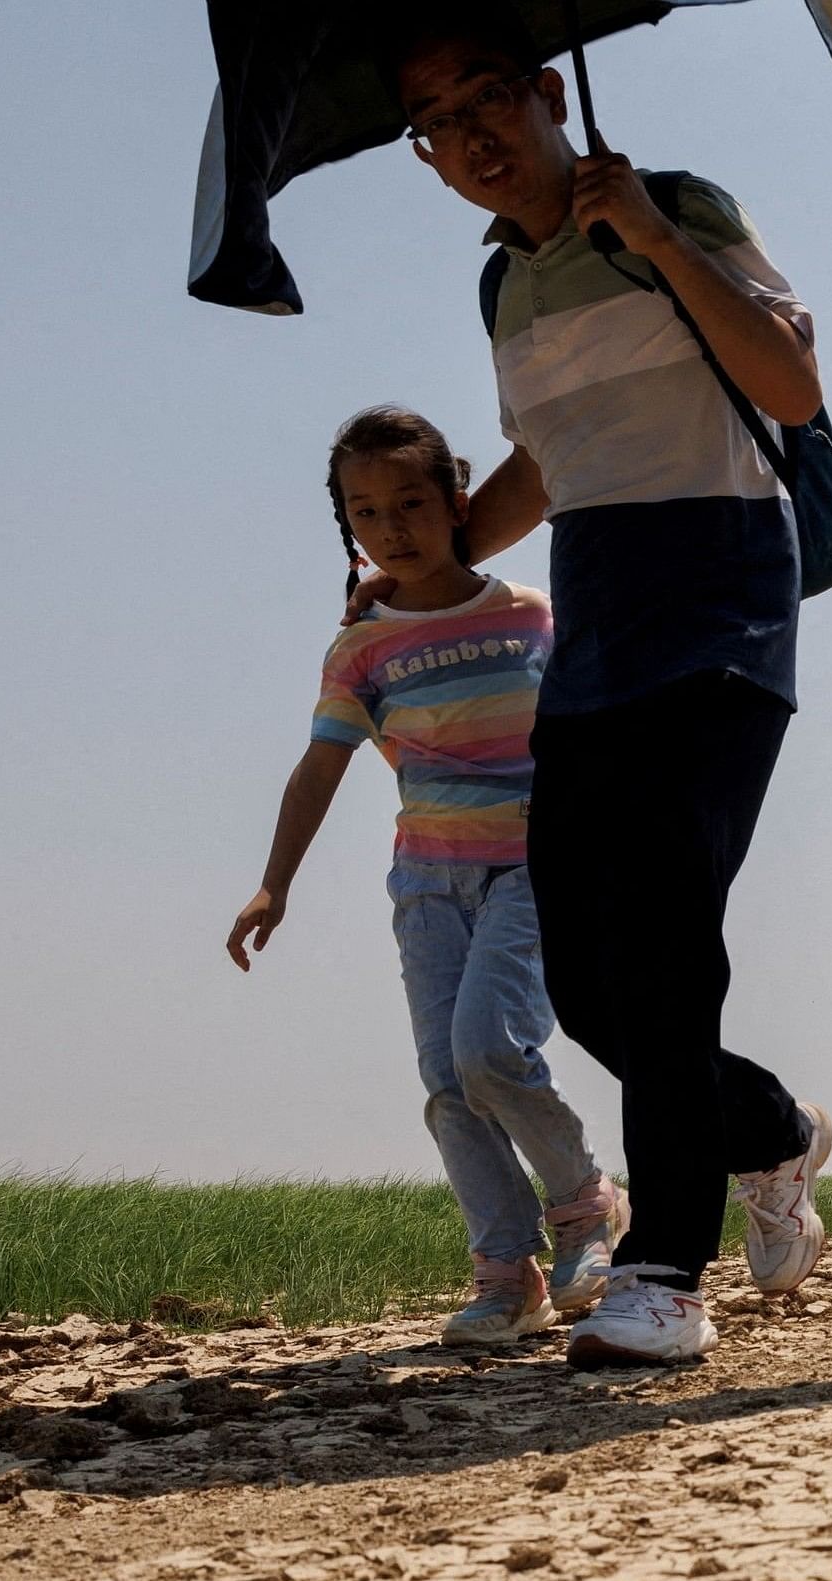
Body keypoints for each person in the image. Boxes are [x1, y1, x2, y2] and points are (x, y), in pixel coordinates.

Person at [373, 11, 832, 1366]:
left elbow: (790, 383)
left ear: (549, 90)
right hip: (594, 641)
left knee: (666, 950)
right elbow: (544, 464)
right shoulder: (500, 285)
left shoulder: (675, 205)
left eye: (486, 101)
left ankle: (664, 1271)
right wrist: (423, 563)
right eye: (438, 125)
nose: (471, 140)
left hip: (721, 607)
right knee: (585, 989)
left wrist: (655, 237)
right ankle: (771, 1135)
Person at [228, 406, 624, 1347]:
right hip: (427, 885)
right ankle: (505, 1272)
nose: (392, 527)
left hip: (535, 867)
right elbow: (320, 764)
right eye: (366, 512)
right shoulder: (360, 648)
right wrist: (274, 881)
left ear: (458, 499)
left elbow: (601, 724)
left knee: (492, 1049)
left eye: (410, 501)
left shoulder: (531, 614)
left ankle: (584, 1206)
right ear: (347, 527)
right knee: (449, 1081)